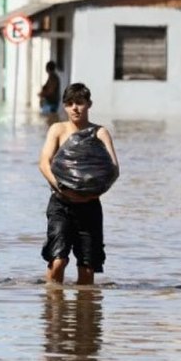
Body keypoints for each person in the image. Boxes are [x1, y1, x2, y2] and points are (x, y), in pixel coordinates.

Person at [38, 83, 119, 285]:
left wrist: (91, 192)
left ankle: (84, 312)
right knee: (58, 260)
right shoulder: (57, 129)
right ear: (64, 106)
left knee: (87, 268)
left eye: (80, 103)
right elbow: (44, 163)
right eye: (70, 103)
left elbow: (113, 169)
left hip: (89, 206)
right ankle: (53, 308)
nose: (75, 108)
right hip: (61, 204)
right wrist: (62, 187)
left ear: (89, 104)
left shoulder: (100, 133)